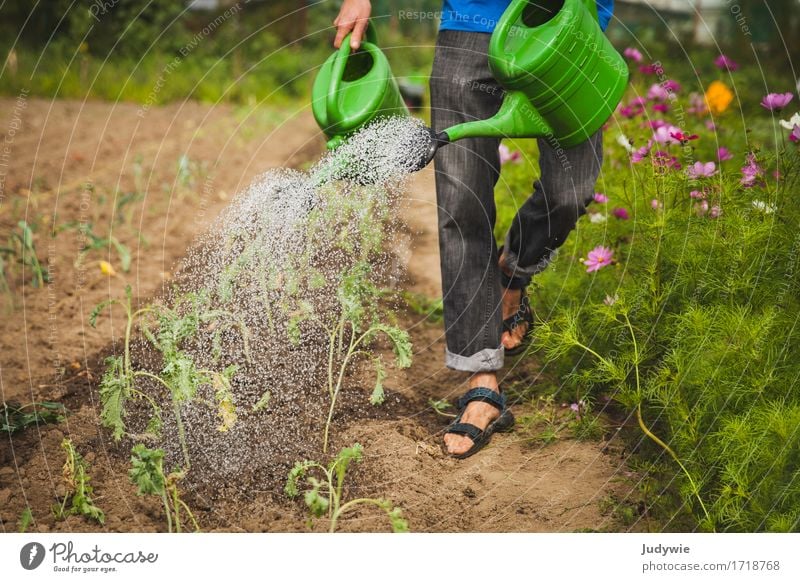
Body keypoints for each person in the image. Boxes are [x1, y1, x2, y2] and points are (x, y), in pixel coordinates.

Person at [333, 0, 614, 458]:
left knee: (572, 192)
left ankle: (514, 273)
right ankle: (481, 378)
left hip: (570, 25)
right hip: (473, 23)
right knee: (463, 202)